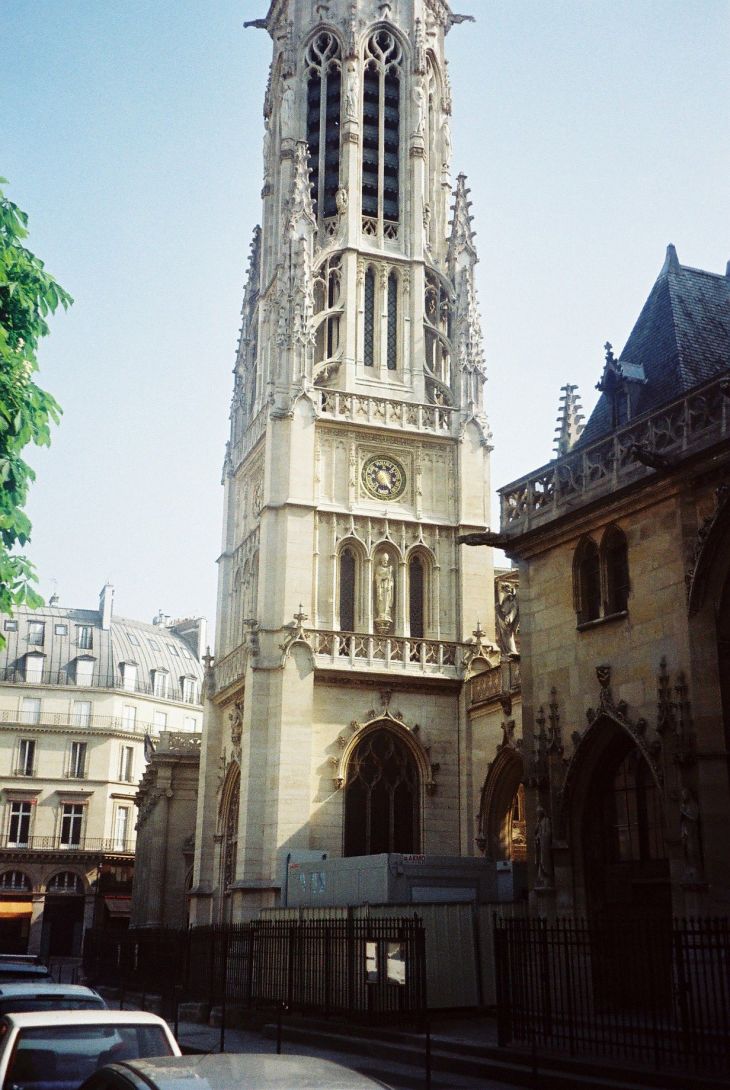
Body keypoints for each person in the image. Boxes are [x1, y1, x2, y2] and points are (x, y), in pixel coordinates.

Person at [374, 553, 394, 623]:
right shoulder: (379, 568)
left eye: (386, 561)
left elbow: (391, 580)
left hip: (387, 589)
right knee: (381, 600)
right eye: (384, 561)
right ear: (381, 561)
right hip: (381, 588)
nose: (385, 562)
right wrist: (385, 576)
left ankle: (387, 614)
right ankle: (381, 614)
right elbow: (377, 577)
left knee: (387, 600)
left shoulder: (389, 569)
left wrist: (390, 585)